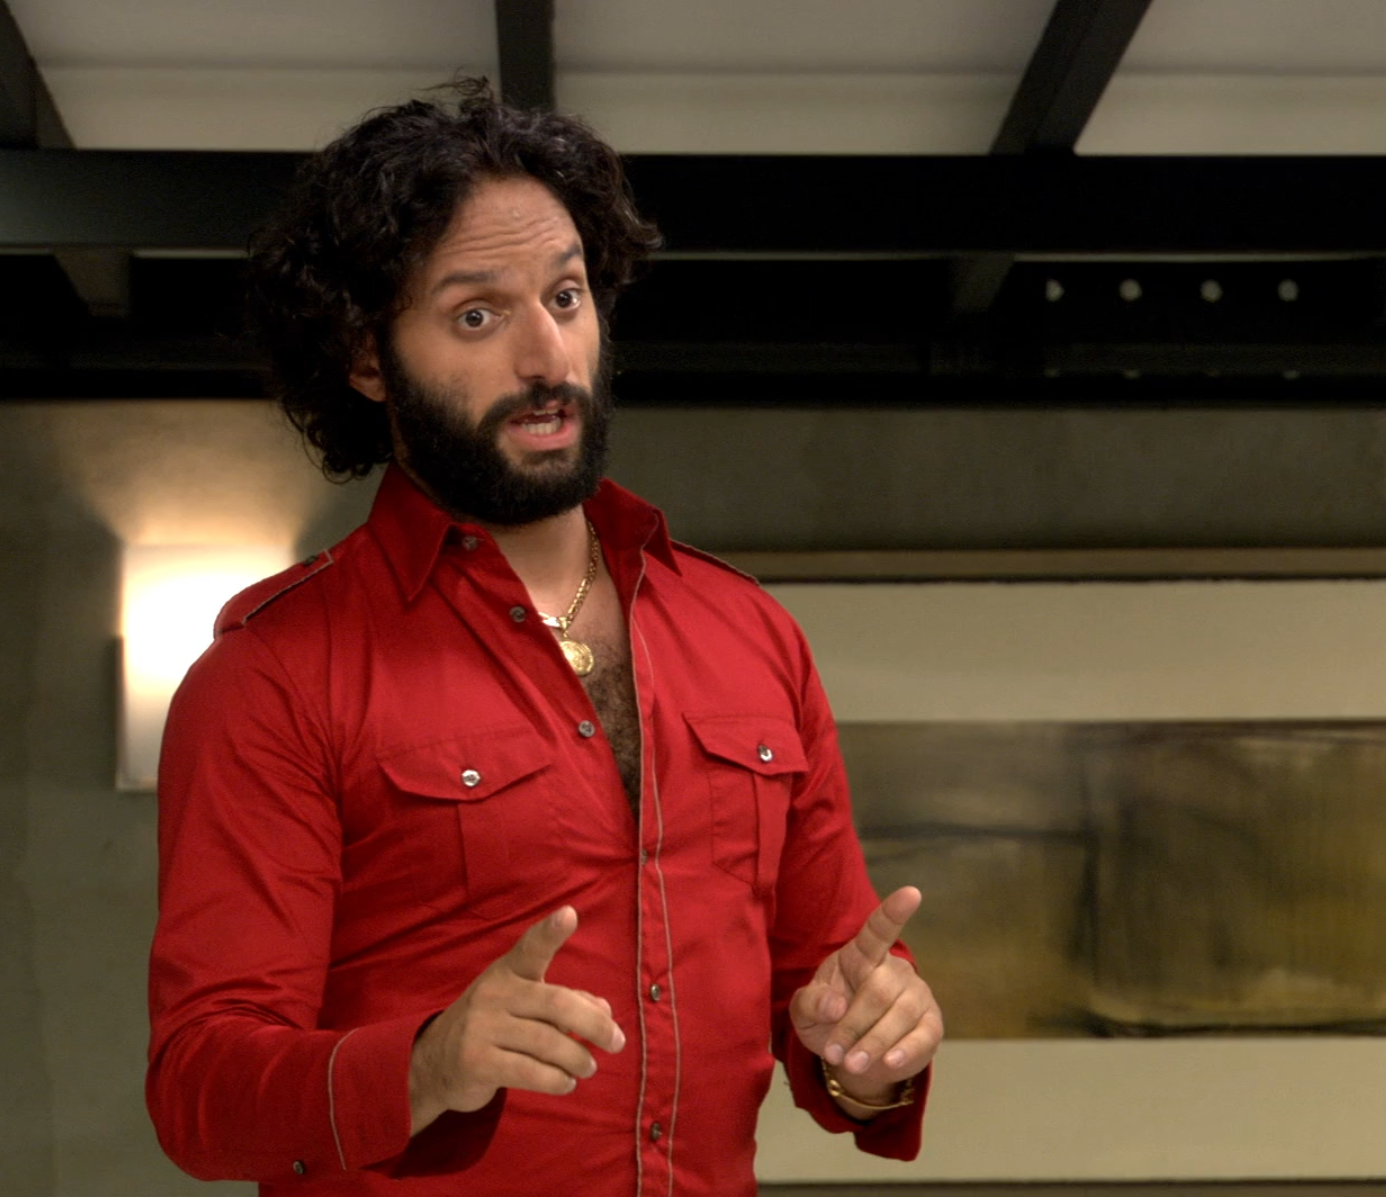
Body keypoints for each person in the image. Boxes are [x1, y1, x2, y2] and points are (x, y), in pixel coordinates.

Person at [146, 80, 941, 1196]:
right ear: (367, 358)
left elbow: (830, 1003)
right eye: (478, 316)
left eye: (566, 297)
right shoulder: (273, 676)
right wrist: (424, 1067)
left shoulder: (751, 634)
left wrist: (870, 1051)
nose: (547, 356)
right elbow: (200, 1091)